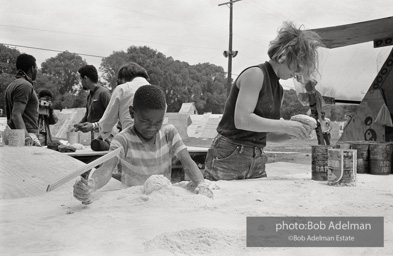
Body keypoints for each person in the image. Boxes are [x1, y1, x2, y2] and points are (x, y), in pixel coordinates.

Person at [204, 21, 324, 181]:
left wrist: (292, 133)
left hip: (257, 157)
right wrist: (286, 125)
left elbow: (266, 134)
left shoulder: (278, 89)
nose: (297, 73)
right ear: (283, 56)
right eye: (296, 66)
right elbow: (242, 120)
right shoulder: (255, 74)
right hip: (230, 153)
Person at [73, 85, 213, 204]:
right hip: (134, 202)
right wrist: (91, 186)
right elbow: (107, 168)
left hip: (164, 200)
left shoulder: (169, 133)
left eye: (158, 122)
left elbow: (187, 162)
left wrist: (201, 184)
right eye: (145, 121)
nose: (152, 127)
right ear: (132, 113)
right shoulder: (123, 140)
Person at [75, 62, 150, 146]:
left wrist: (93, 126)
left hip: (130, 140)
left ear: (123, 79)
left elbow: (108, 120)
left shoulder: (120, 89)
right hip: (153, 144)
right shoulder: (155, 92)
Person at [4, 53, 41, 146]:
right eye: (36, 68)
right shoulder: (25, 85)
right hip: (26, 135)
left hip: (15, 136)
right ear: (32, 69)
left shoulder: (12, 85)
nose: (37, 70)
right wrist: (27, 138)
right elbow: (16, 115)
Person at [73, 65, 111, 146]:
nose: (81, 82)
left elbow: (112, 116)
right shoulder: (90, 96)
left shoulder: (103, 93)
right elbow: (87, 116)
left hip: (106, 139)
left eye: (81, 79)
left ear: (85, 78)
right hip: (95, 139)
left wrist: (94, 126)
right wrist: (79, 126)